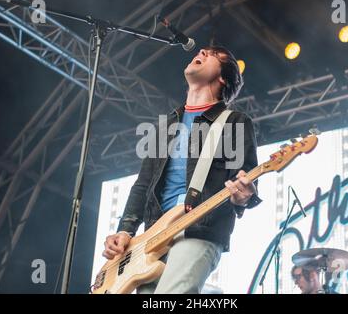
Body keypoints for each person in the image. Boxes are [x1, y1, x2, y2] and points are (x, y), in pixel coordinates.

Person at [102, 45, 262, 294]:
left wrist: (243, 196)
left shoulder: (234, 122)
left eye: (212, 55)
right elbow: (143, 185)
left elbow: (244, 180)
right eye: (201, 51)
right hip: (150, 240)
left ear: (223, 77)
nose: (201, 52)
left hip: (199, 229)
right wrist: (125, 230)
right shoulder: (166, 126)